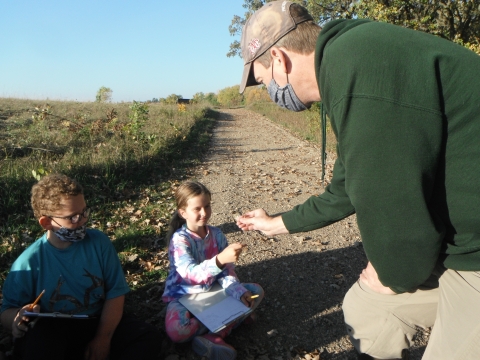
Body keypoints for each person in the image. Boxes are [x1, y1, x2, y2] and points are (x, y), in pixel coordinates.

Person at [236, 1, 480, 359]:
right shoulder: (347, 63)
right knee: (366, 308)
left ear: (279, 60)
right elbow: (347, 185)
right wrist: (278, 224)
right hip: (461, 242)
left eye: (262, 81)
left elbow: (393, 200)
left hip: (474, 253)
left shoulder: (362, 69)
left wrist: (393, 274)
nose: (270, 94)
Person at [0, 174, 162, 360]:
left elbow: (115, 293)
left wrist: (103, 339)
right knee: (37, 344)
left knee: (147, 337)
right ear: (47, 222)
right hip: (53, 329)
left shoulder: (99, 243)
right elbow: (7, 310)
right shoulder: (29, 262)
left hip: (97, 321)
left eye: (84, 212)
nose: (83, 221)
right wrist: (17, 317)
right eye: (73, 217)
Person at [162, 181, 264, 360]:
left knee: (255, 292)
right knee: (176, 331)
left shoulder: (216, 234)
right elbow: (190, 274)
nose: (204, 213)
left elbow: (227, 273)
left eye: (207, 206)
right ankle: (231, 321)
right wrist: (220, 260)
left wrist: (238, 292)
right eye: (197, 209)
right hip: (184, 297)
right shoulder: (179, 241)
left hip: (214, 290)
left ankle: (214, 335)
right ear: (182, 212)